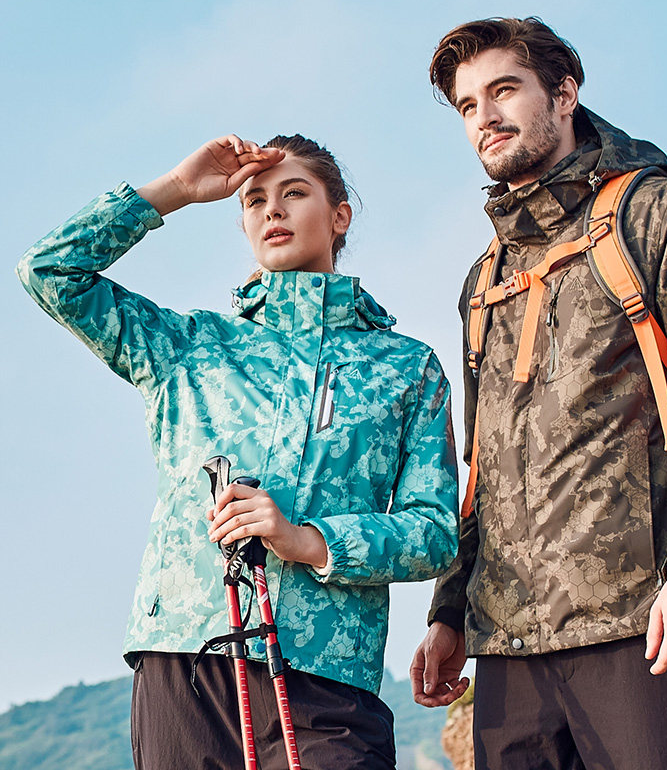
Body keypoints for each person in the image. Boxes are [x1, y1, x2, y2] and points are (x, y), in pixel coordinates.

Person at [410, 17, 667, 769]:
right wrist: (450, 610)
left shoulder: (665, 215)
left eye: (504, 90)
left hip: (646, 626)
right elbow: (484, 464)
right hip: (509, 644)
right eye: (467, 105)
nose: (484, 116)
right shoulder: (485, 277)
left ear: (564, 94)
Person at [17, 134, 459, 770]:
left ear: (340, 216)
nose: (272, 209)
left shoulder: (406, 367)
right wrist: (175, 190)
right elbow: (49, 271)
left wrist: (307, 540)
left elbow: (434, 532)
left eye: (294, 193)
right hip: (185, 666)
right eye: (254, 200)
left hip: (329, 675)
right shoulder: (185, 347)